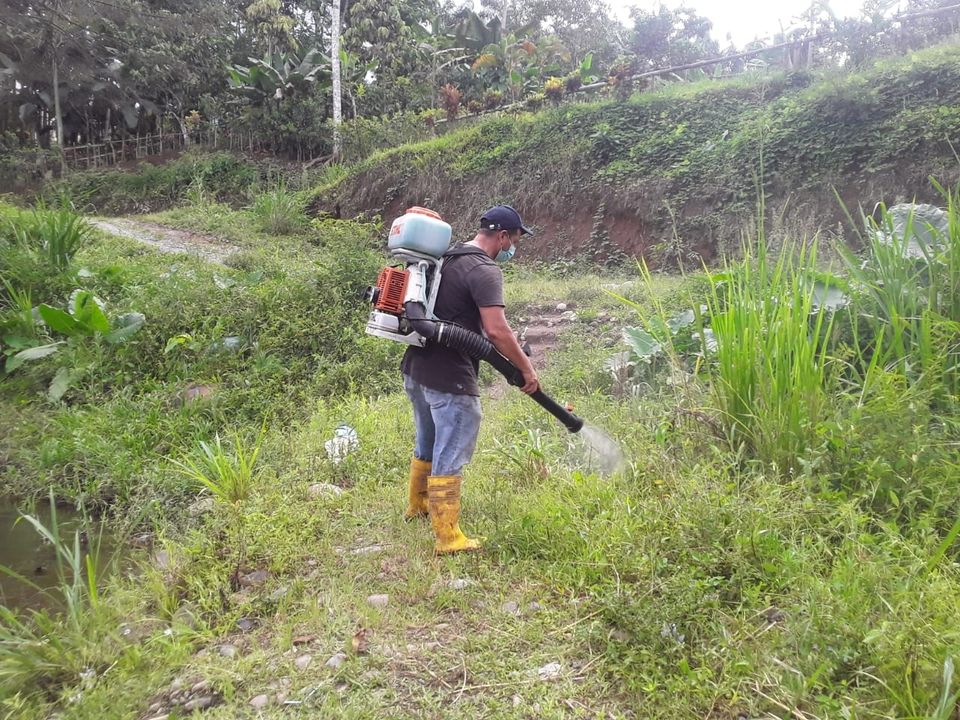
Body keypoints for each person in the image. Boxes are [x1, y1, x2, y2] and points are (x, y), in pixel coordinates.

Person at [401, 205, 540, 555]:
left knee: (428, 439)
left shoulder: (447, 256)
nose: (513, 249)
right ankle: (448, 537)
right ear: (502, 236)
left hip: (416, 368)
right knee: (452, 446)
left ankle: (418, 505)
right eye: (514, 240)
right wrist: (526, 368)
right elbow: (496, 331)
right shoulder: (484, 269)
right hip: (450, 376)